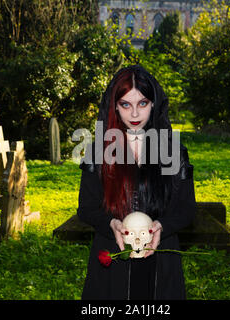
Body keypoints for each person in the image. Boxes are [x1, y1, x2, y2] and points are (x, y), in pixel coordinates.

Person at [77, 65, 197, 300]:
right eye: (125, 104)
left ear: (154, 104)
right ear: (114, 106)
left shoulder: (172, 151)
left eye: (142, 103)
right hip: (113, 264)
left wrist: (163, 226)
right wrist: (111, 224)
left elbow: (187, 208)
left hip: (161, 264)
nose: (134, 114)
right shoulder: (99, 152)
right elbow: (86, 208)